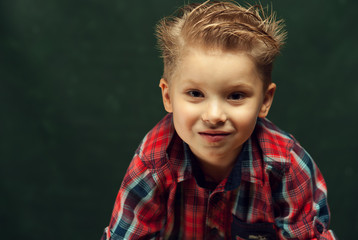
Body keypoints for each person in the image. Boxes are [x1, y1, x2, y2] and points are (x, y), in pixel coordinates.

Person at [101, 1, 336, 239]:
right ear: (168, 96)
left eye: (235, 96)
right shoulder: (153, 162)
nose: (214, 116)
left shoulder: (286, 165)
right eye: (195, 94)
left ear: (265, 100)